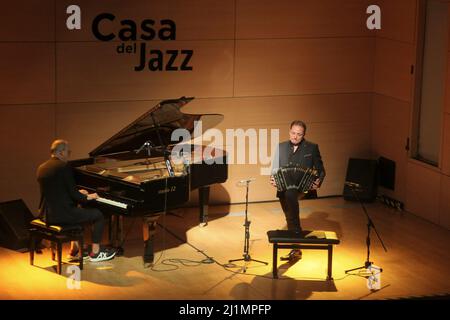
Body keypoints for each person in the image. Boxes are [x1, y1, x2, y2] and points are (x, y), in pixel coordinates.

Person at [37, 139, 115, 262]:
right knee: (98, 215)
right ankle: (96, 252)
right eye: (69, 152)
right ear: (61, 152)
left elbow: (57, 192)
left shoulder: (42, 167)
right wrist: (89, 196)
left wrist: (79, 193)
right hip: (63, 215)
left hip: (46, 214)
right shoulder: (64, 166)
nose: (69, 154)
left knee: (80, 212)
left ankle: (75, 250)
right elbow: (74, 195)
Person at [270, 121, 325, 261]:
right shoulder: (281, 147)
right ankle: (296, 248)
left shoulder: (311, 148)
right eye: (293, 133)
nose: (295, 137)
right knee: (289, 215)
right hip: (284, 186)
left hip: (303, 186)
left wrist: (317, 182)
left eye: (299, 134)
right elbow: (274, 168)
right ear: (289, 132)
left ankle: (297, 234)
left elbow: (321, 170)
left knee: (290, 196)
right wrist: (273, 178)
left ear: (303, 135)